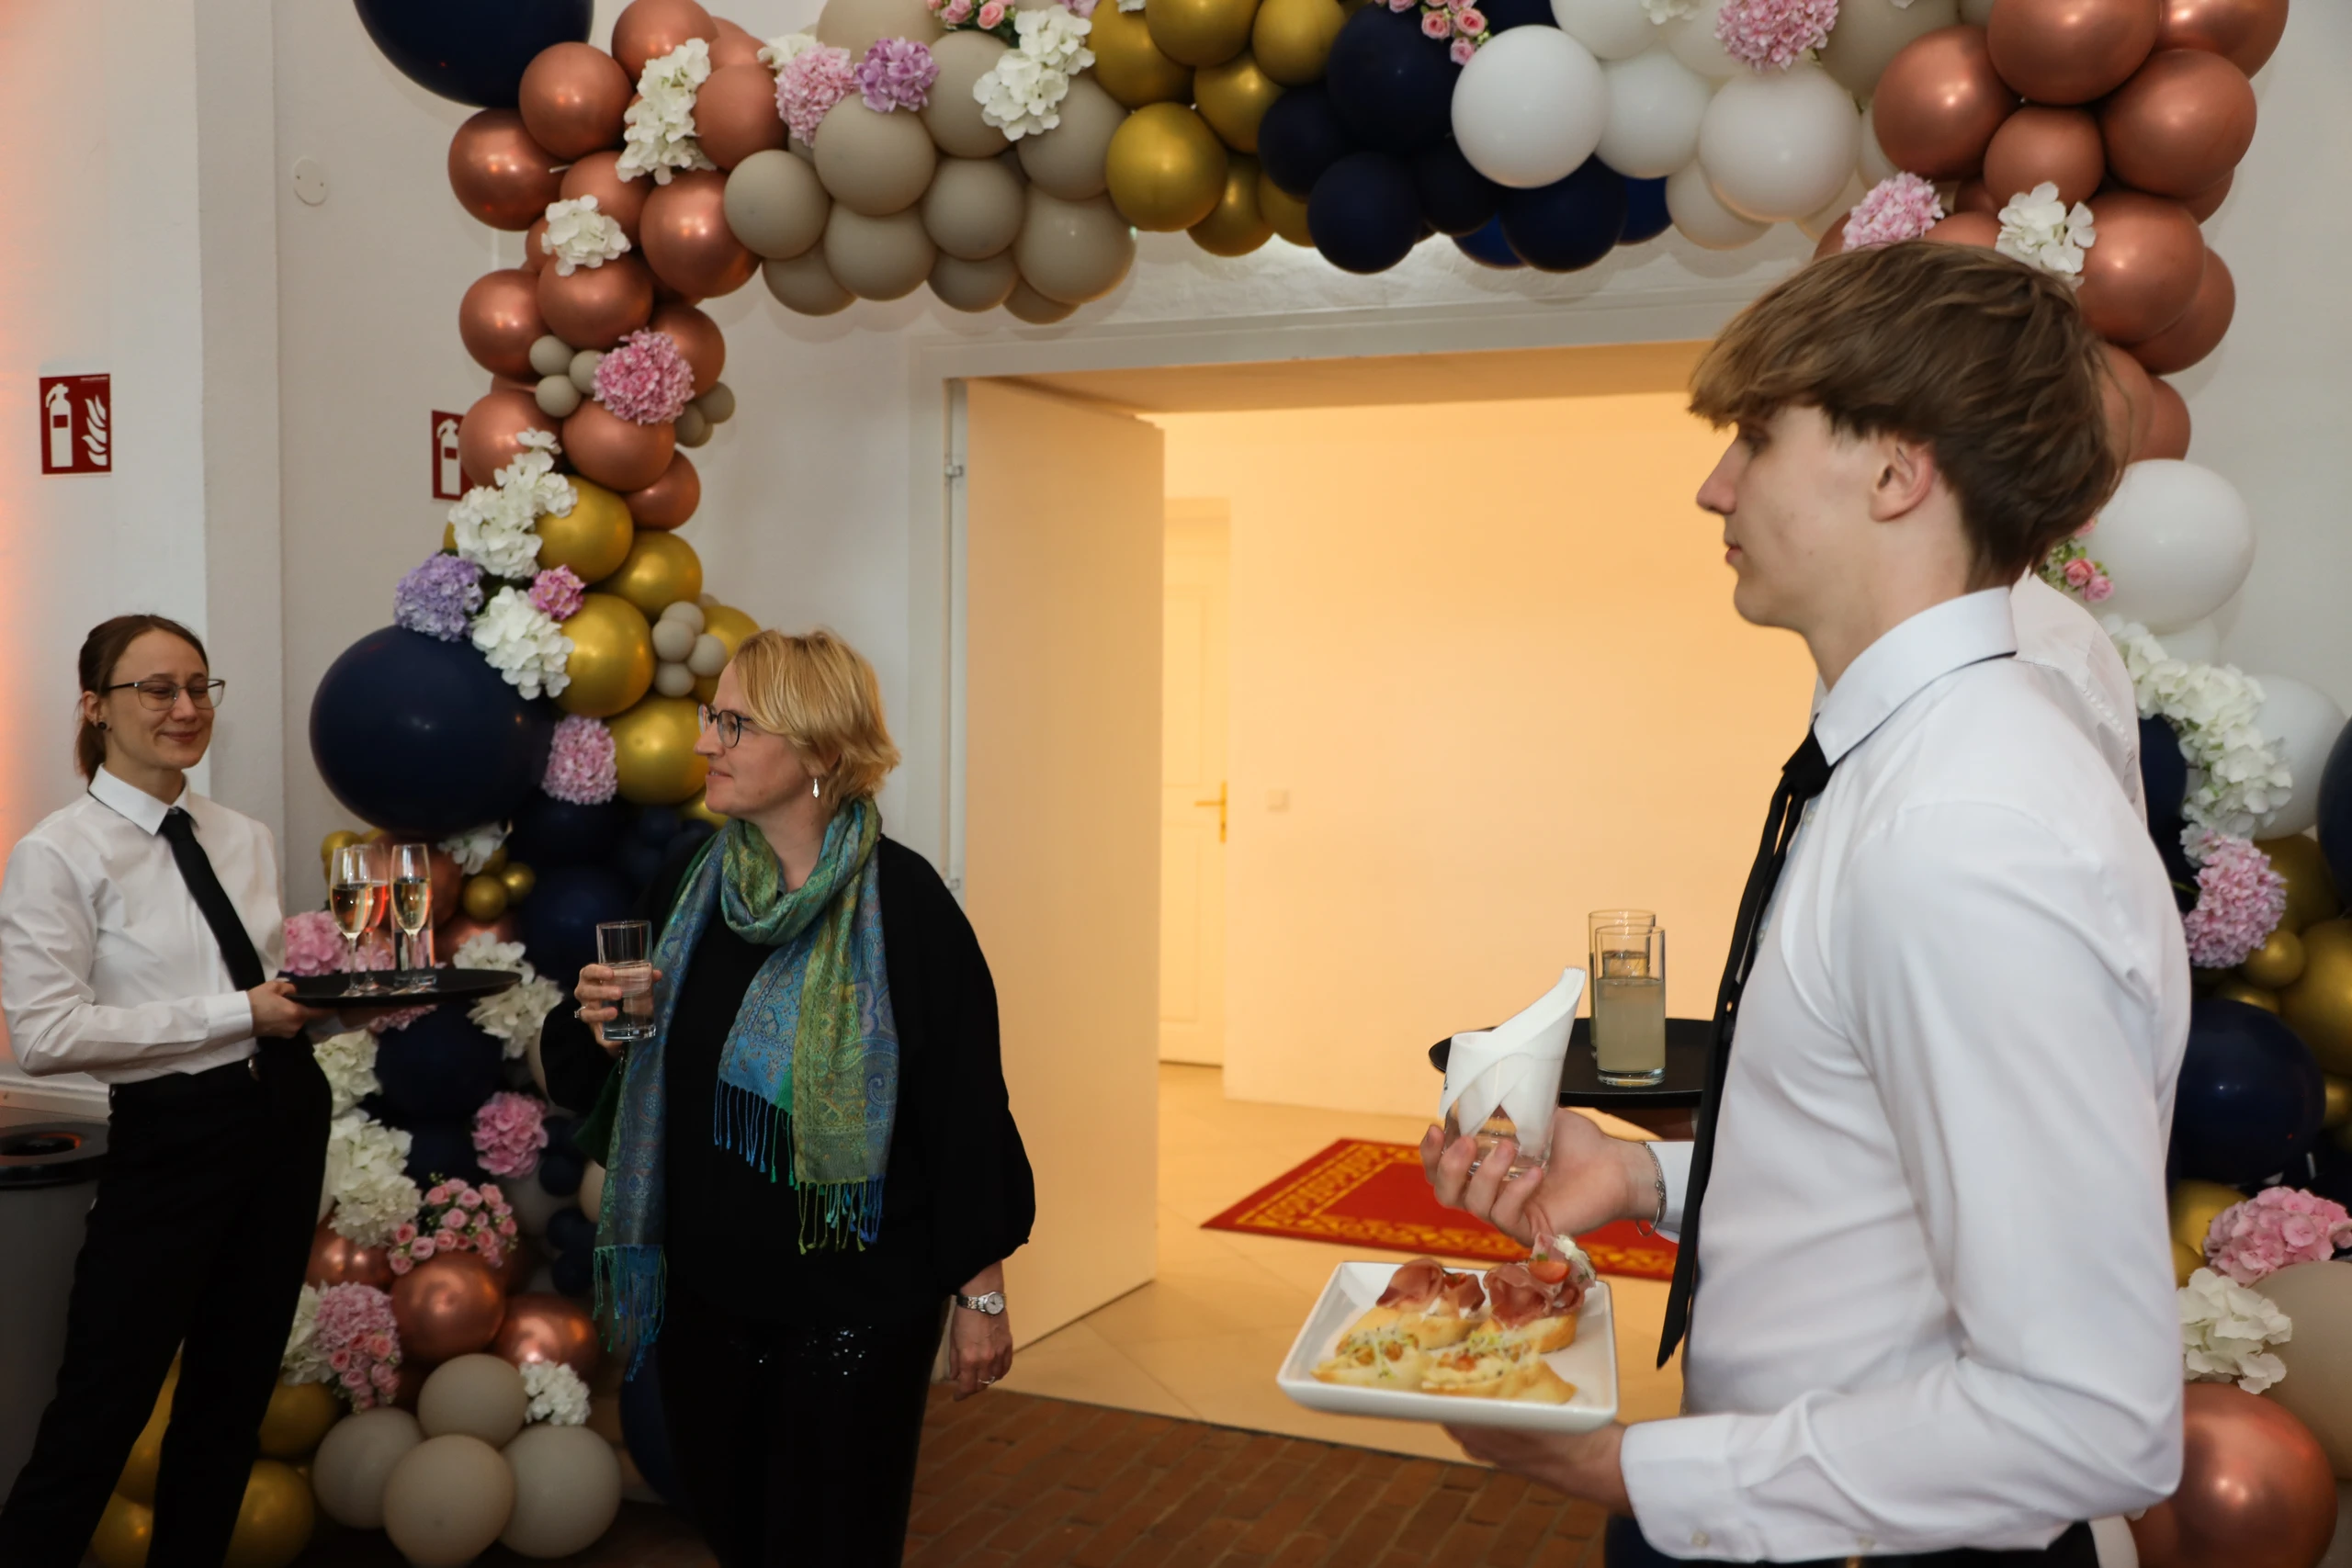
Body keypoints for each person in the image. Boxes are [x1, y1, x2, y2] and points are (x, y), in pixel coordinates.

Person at [1423, 244, 2191, 1564]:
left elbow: (2088, 1419)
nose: (1714, 485)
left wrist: (1625, 1468)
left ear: (1897, 473)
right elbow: (1877, 1170)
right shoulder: (1914, 766)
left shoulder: (1963, 831)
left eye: (1757, 438)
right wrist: (1643, 1174)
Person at [540, 627, 1034, 1568]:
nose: (704, 742)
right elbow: (603, 1068)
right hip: (705, 1298)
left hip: (855, 1310)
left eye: (734, 723)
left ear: (817, 749)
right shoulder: (688, 884)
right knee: (734, 1532)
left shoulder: (908, 906)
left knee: (831, 1544)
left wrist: (981, 1296)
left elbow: (964, 1116)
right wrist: (598, 1028)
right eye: (710, 716)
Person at [0, 614, 330, 1568]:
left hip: (282, 1118)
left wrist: (352, 1007)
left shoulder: (244, 837)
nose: (184, 708)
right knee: (97, 1415)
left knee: (230, 1409)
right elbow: (46, 1036)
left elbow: (266, 1005)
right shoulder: (58, 853)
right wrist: (238, 1014)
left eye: (197, 687)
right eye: (155, 689)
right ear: (96, 707)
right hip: (171, 1138)